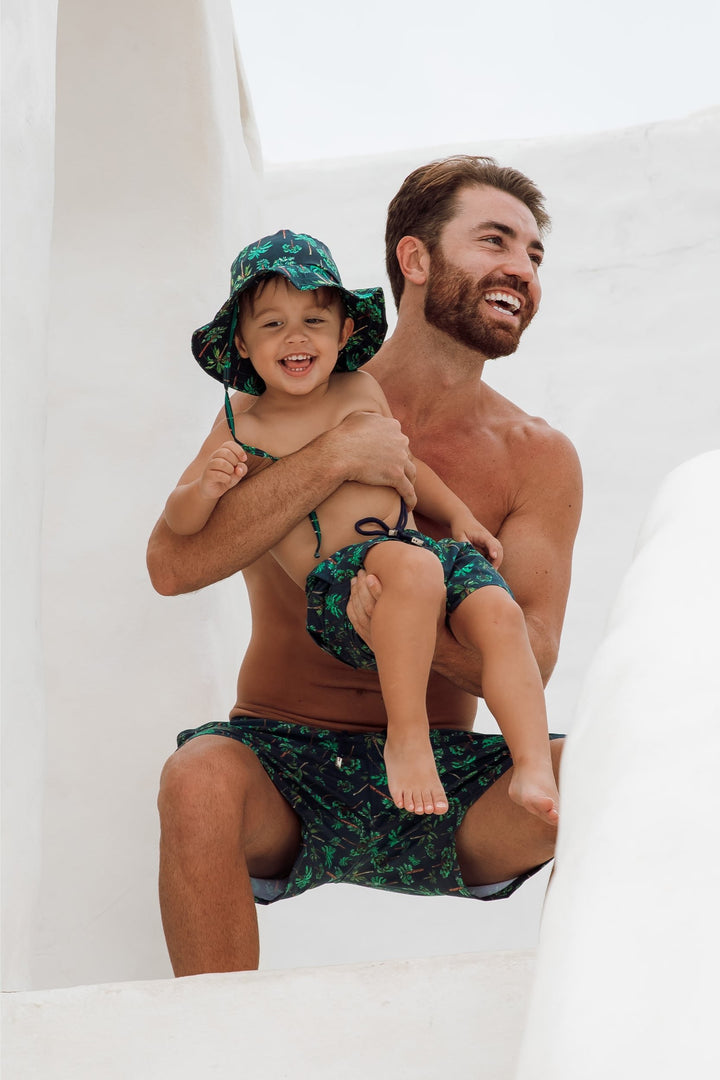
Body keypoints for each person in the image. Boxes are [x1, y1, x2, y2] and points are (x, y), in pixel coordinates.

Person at [147, 156, 583, 976]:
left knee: (608, 777)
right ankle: (217, 1057)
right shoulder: (284, 401)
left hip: (444, 778)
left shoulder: (538, 457)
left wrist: (390, 633)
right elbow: (172, 565)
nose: (520, 268)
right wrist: (330, 458)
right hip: (281, 756)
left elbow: (537, 652)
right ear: (415, 260)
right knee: (197, 778)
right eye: (495, 240)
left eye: (533, 254)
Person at [162, 230, 559, 823]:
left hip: (412, 547)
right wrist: (208, 489)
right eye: (271, 325)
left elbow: (406, 462)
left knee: (498, 613)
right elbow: (178, 523)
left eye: (314, 321)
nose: (296, 338)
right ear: (241, 344)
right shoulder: (248, 425)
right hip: (344, 581)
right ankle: (409, 734)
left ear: (345, 331)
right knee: (415, 568)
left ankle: (531, 765)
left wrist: (457, 514)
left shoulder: (360, 388)